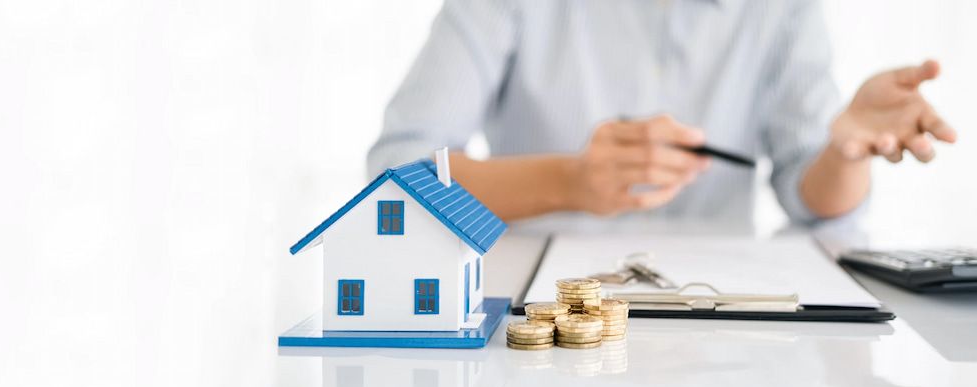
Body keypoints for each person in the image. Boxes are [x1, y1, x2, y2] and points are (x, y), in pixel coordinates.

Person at [367, 0, 956, 232]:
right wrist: (569, 183)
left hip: (723, 316)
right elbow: (396, 179)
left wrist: (843, 151)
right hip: (533, 314)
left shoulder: (783, 10)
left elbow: (813, 199)